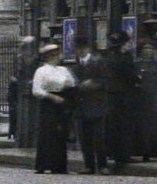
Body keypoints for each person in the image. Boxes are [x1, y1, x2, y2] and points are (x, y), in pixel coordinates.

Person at [29, 41, 76, 174]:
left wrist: (65, 87)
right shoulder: (41, 71)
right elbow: (36, 90)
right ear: (50, 56)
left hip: (62, 101)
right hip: (49, 102)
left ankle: (59, 165)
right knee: (48, 132)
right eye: (56, 55)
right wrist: (51, 96)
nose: (58, 57)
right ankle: (44, 164)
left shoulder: (63, 70)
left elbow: (71, 82)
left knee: (61, 133)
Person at [104, 37, 141, 170]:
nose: (129, 46)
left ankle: (111, 152)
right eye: (127, 43)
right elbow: (130, 75)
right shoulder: (125, 58)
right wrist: (138, 79)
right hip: (124, 95)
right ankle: (124, 154)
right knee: (125, 125)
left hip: (111, 95)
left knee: (113, 125)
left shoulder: (109, 58)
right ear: (123, 45)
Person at [73, 42, 110, 174]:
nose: (80, 51)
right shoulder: (76, 66)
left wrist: (92, 84)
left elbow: (105, 82)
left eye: (83, 48)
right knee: (85, 138)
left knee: (99, 137)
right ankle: (88, 165)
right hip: (81, 106)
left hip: (96, 105)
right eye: (78, 49)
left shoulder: (98, 62)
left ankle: (102, 165)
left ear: (88, 49)